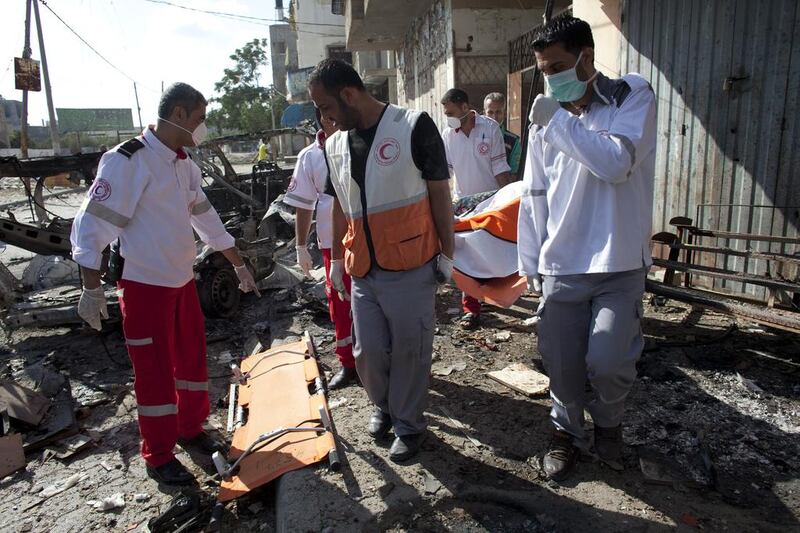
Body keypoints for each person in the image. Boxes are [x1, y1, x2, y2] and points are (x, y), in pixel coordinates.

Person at [70, 82, 260, 486]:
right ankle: (158, 455)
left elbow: (207, 221)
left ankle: (190, 429)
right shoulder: (128, 161)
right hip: (144, 289)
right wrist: (91, 287)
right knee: (154, 375)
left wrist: (239, 264)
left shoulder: (183, 164)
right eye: (200, 119)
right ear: (177, 114)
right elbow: (93, 225)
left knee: (191, 363)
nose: (202, 126)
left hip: (180, 284)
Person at [518, 14, 656, 481]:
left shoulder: (630, 96)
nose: (550, 77)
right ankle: (565, 433)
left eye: (557, 65)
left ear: (586, 57)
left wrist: (557, 122)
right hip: (562, 262)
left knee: (610, 361)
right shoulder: (544, 126)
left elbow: (616, 162)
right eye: (543, 69)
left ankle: (610, 426)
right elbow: (535, 194)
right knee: (561, 362)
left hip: (618, 261)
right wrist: (530, 261)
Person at [308, 59, 454, 462]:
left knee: (410, 349)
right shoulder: (335, 143)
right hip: (363, 267)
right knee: (367, 350)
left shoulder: (412, 126)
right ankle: (385, 405)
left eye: (325, 106)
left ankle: (408, 425)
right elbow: (339, 204)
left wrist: (448, 252)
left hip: (412, 260)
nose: (323, 117)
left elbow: (440, 192)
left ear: (350, 94)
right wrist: (336, 258)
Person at [284, 111, 358, 389]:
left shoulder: (357, 143)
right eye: (329, 116)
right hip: (331, 243)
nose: (336, 120)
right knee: (339, 304)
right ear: (321, 120)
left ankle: (377, 358)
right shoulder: (311, 156)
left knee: (371, 302)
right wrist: (301, 245)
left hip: (365, 238)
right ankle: (348, 363)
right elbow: (304, 204)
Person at [441, 88, 512, 330]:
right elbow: (445, 173)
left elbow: (500, 166)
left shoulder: (489, 128)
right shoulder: (448, 134)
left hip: (491, 201)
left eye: (450, 112)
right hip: (464, 204)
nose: (447, 117)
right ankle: (470, 309)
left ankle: (495, 294)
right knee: (467, 257)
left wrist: (509, 199)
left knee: (492, 252)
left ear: (464, 107)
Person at [483, 92, 522, 179]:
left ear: (504, 114)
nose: (494, 116)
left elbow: (514, 173)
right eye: (490, 112)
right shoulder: (476, 137)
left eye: (498, 112)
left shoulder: (513, 140)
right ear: (484, 113)